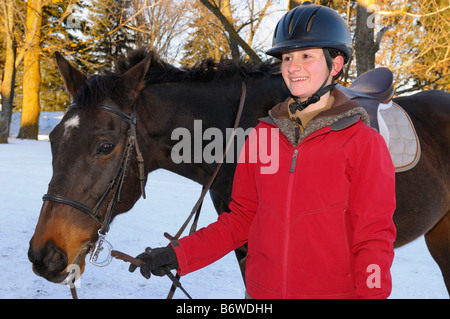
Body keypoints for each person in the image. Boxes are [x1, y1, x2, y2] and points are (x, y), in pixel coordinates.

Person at [129, 1, 396, 299]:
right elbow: (241, 218)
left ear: (335, 64)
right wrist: (178, 254)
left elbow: (373, 238)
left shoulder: (363, 143)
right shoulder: (262, 136)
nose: (293, 67)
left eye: (306, 56)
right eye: (286, 58)